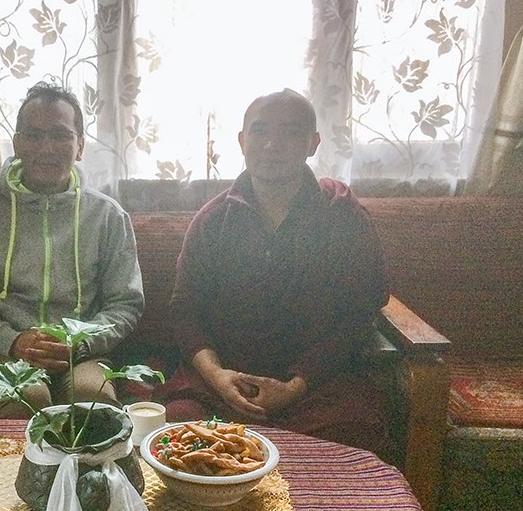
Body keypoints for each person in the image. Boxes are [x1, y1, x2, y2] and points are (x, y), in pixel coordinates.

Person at [159, 89, 395, 460]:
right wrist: (219, 377)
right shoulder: (214, 220)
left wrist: (295, 385)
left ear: (313, 143)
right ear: (241, 141)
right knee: (181, 428)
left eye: (290, 131)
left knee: (353, 433)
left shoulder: (343, 217)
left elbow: (357, 316)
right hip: (223, 381)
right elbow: (185, 311)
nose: (272, 144)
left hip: (315, 386)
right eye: (259, 131)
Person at [0, 82, 144, 416]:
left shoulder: (107, 216)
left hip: (83, 354)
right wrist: (13, 341)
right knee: (26, 399)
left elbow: (125, 303)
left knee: (95, 404)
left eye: (61, 135)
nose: (46, 148)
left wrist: (79, 342)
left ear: (79, 146)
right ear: (17, 143)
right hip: (2, 350)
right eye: (34, 135)